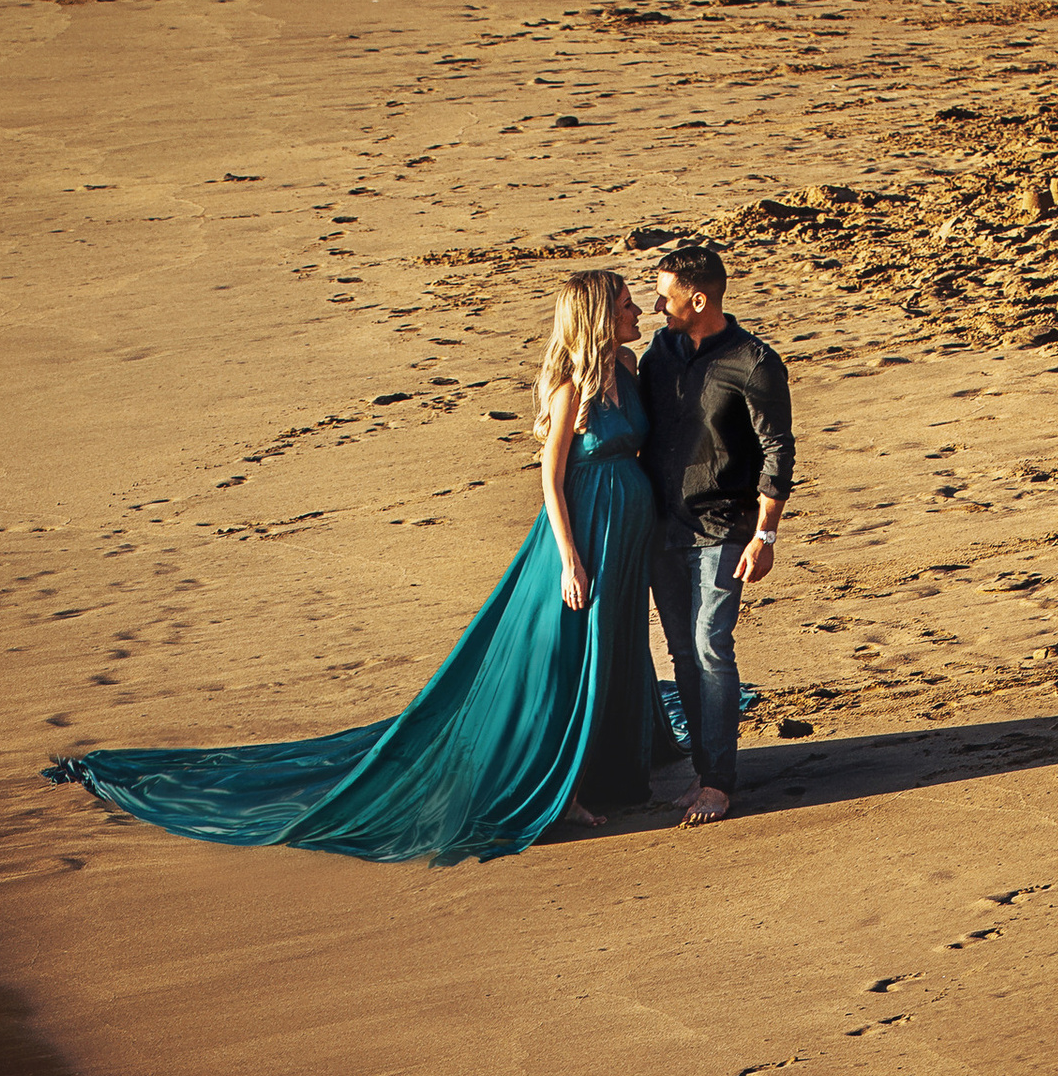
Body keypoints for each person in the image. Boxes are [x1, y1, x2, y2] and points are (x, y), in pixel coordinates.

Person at [43, 270, 665, 866]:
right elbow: (551, 482)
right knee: (562, 659)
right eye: (626, 304)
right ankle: (563, 791)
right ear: (596, 318)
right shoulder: (568, 391)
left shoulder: (630, 370)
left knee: (610, 649)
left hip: (626, 535)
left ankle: (605, 762)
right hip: (580, 538)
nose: (636, 311)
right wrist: (569, 559)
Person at [636, 243, 796, 828]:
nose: (656, 304)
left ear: (697, 298)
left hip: (725, 528)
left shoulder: (754, 362)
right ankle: (703, 770)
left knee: (710, 645)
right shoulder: (660, 351)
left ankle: (718, 783)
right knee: (681, 652)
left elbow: (779, 452)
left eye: (664, 294)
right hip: (661, 528)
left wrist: (766, 537)